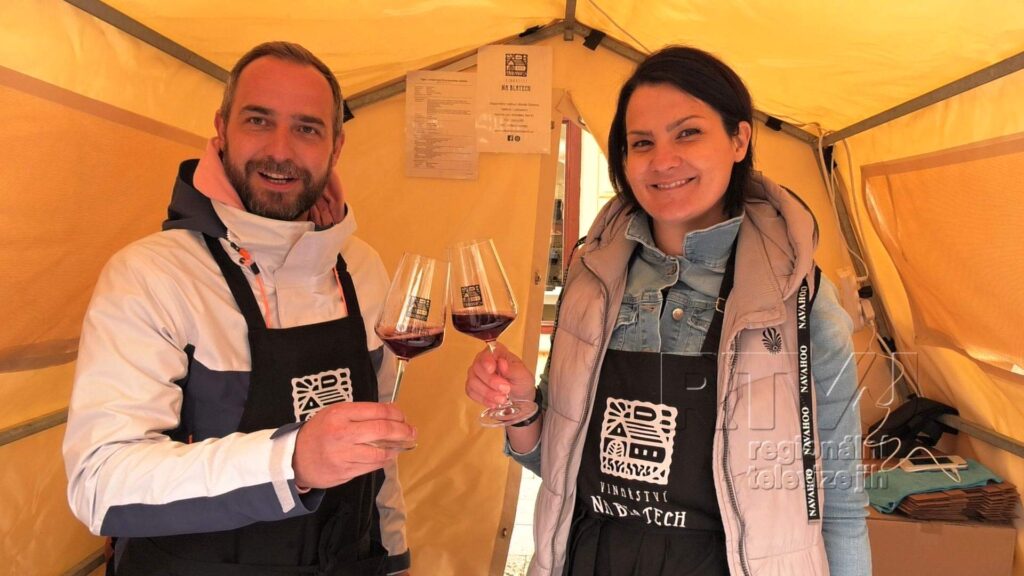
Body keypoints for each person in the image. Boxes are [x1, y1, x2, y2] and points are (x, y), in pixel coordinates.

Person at [465, 46, 870, 576]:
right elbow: (556, 465)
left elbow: (839, 500)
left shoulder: (799, 301)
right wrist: (522, 409)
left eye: (688, 133)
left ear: (739, 139)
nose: (662, 161)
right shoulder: (591, 283)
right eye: (642, 143)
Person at [63, 41, 416, 576]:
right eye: (258, 120)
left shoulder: (362, 268)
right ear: (221, 129)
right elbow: (101, 483)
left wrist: (395, 558)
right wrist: (291, 461)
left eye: (306, 128)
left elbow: (378, 461)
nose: (280, 151)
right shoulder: (154, 275)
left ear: (336, 146)